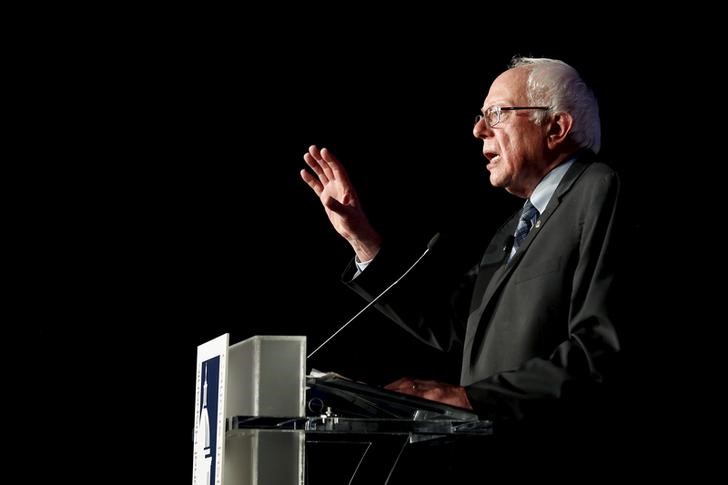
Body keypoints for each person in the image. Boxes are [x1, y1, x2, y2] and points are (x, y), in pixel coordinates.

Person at [300, 57, 624, 440]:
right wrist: (362, 239)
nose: (478, 129)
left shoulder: (599, 190)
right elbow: (456, 324)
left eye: (497, 113)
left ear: (555, 126)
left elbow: (603, 349)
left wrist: (475, 400)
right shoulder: (513, 229)